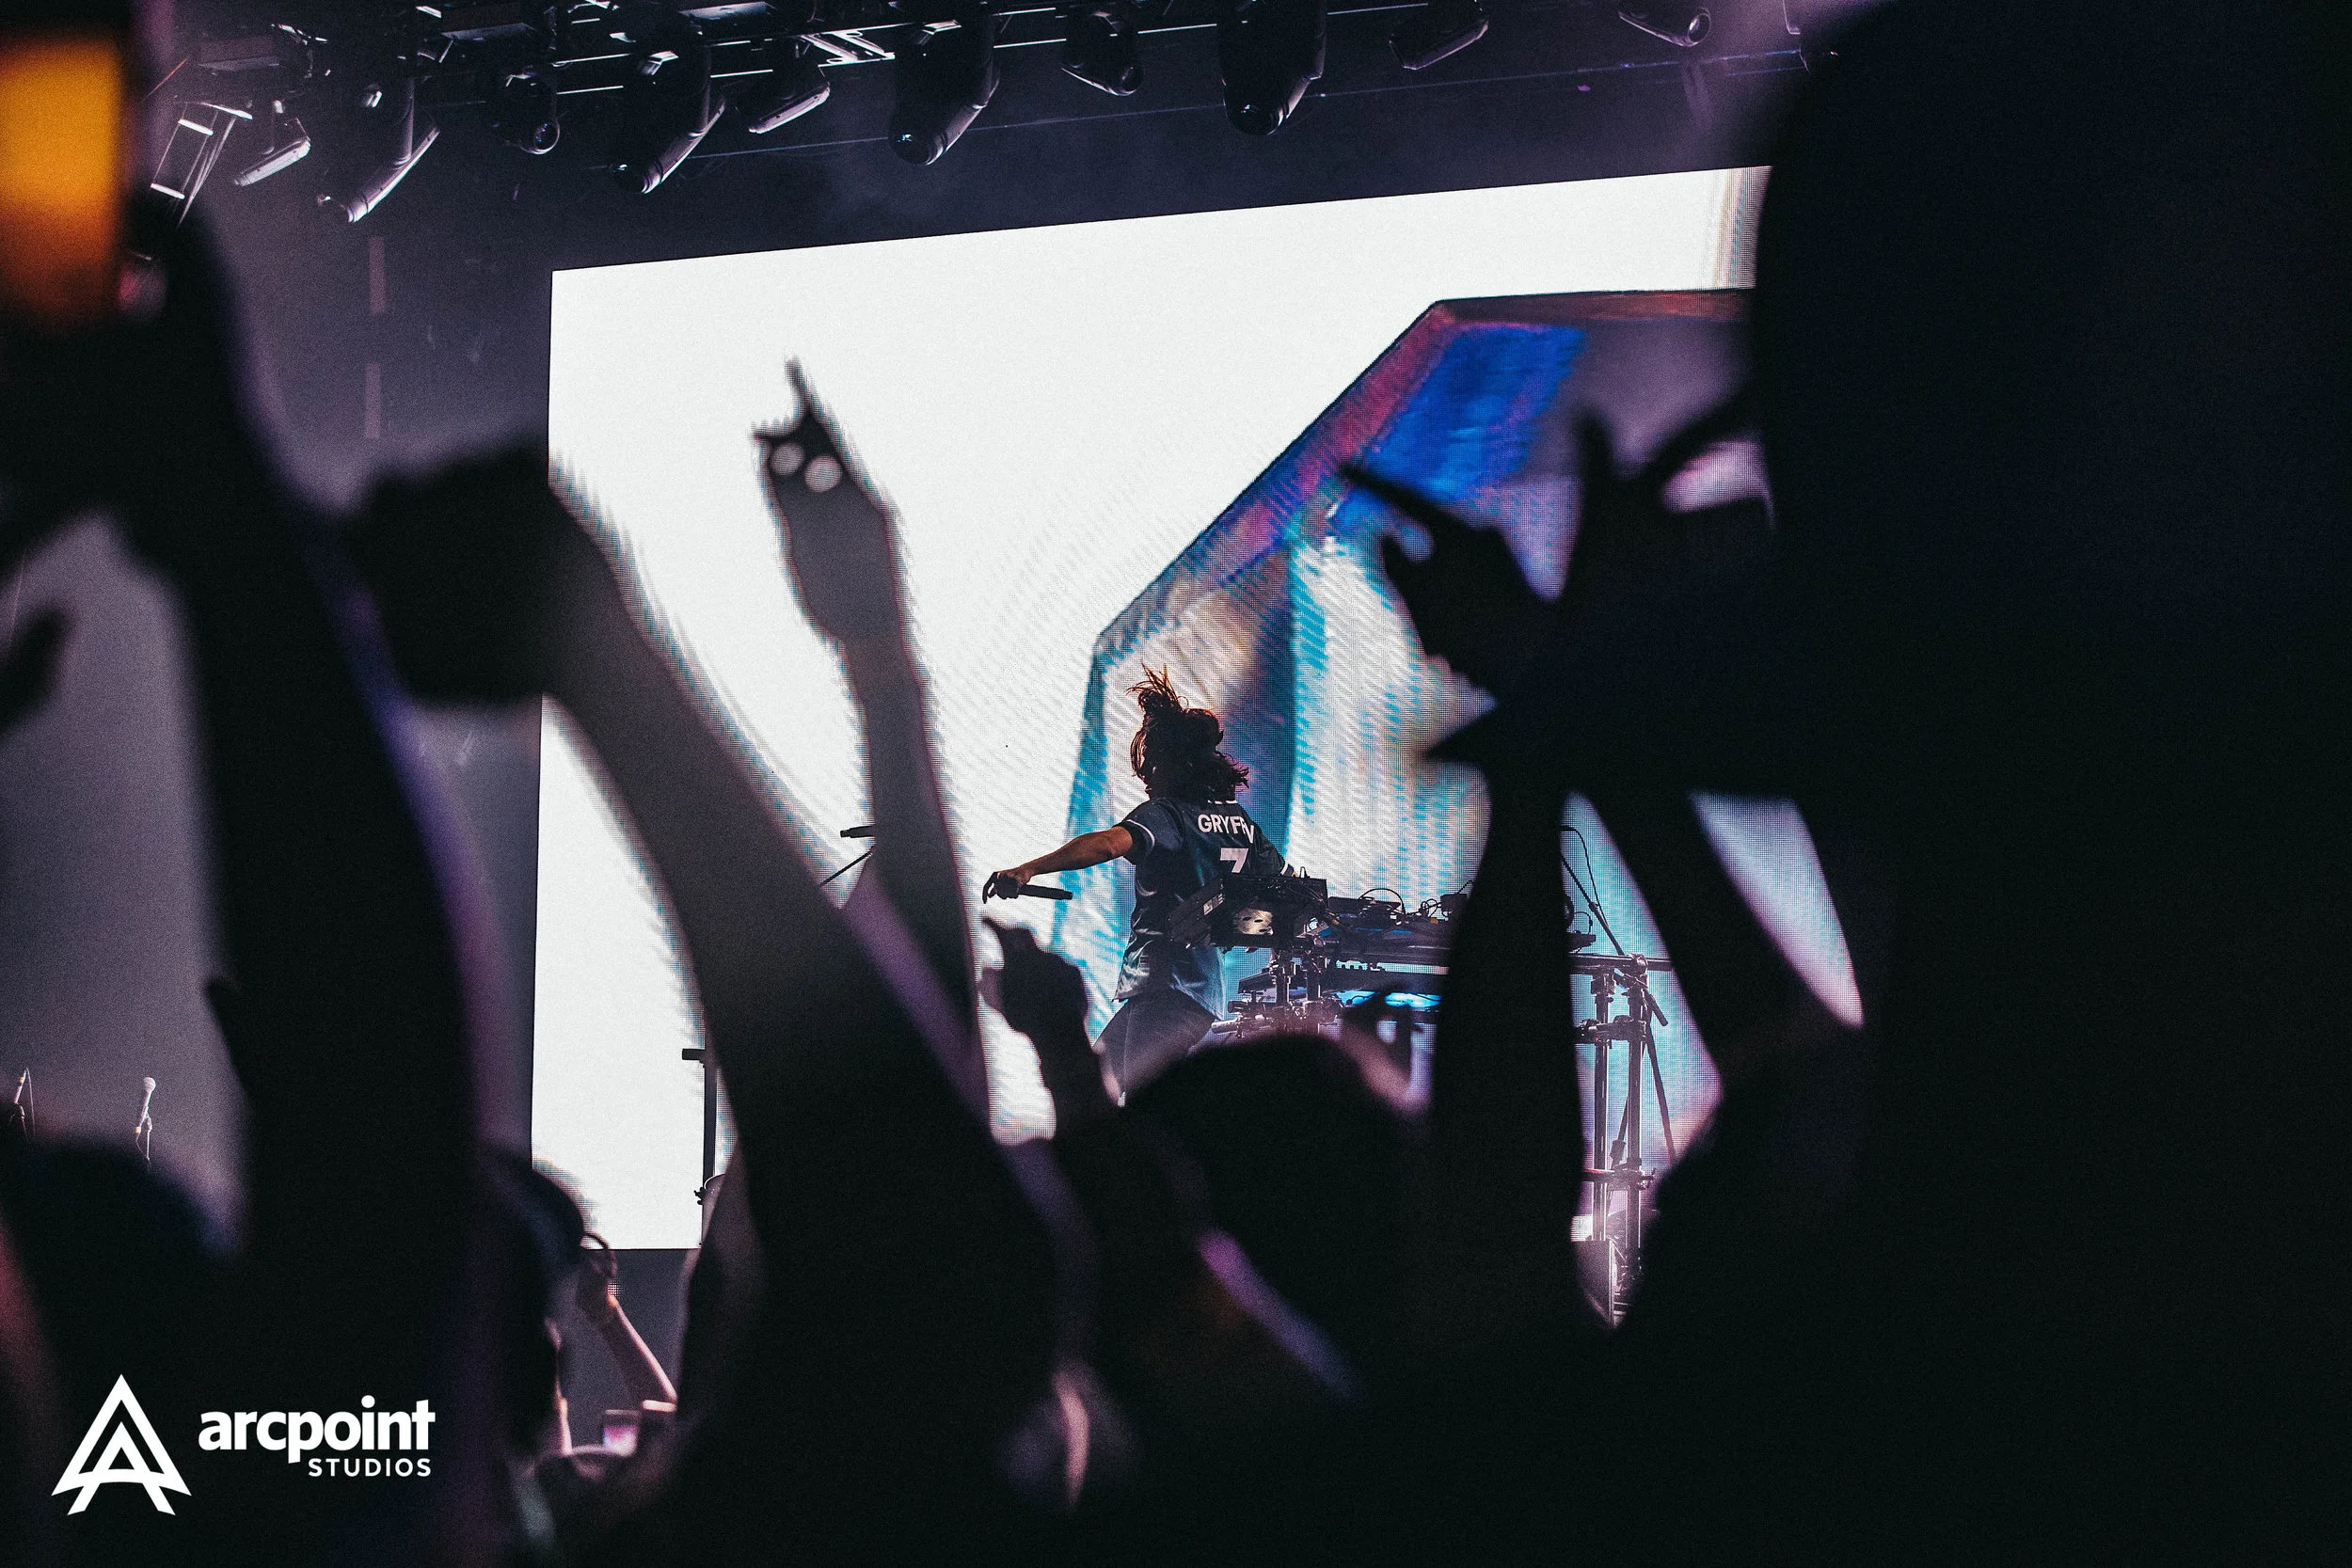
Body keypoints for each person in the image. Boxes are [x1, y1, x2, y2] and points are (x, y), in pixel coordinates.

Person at [986, 672, 1282, 1097]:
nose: (1147, 778)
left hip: (1169, 988)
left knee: (1107, 1106)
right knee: (1097, 1088)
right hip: (1192, 992)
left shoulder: (1167, 814)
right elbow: (1285, 887)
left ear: (1178, 766)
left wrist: (1028, 869)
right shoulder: (1240, 824)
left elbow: (1107, 843)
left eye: (1154, 767)